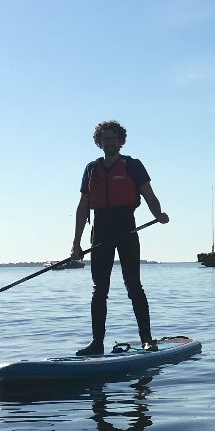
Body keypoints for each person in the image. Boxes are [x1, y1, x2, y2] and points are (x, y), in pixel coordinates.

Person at [71, 120, 169, 355]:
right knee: (99, 289)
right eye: (105, 139)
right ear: (99, 142)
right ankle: (97, 343)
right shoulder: (91, 169)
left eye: (114, 139)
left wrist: (159, 214)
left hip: (126, 227)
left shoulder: (133, 166)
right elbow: (82, 207)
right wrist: (76, 242)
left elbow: (149, 195)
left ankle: (146, 339)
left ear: (120, 140)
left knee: (133, 285)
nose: (110, 143)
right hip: (101, 229)